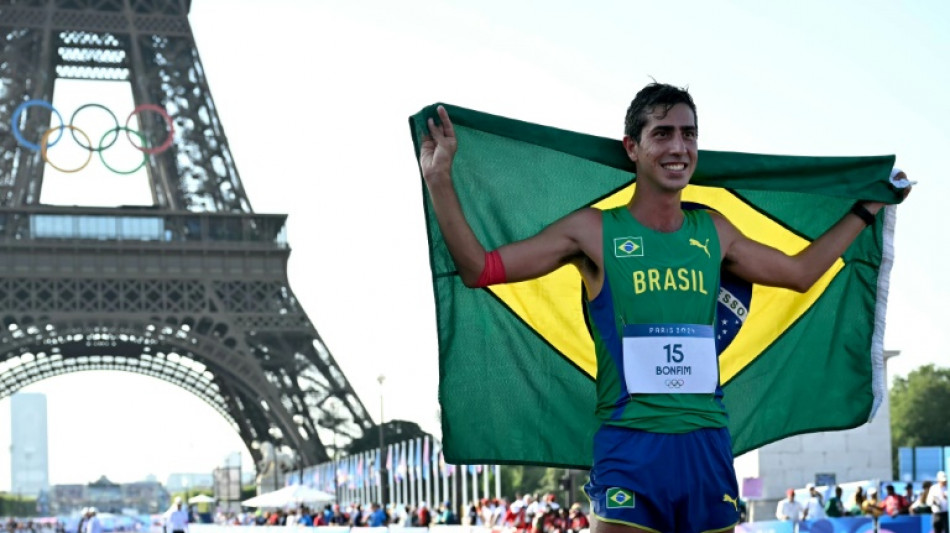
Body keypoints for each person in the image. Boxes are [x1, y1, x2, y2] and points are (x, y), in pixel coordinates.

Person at [419, 83, 909, 533]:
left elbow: (800, 274)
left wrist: (866, 210)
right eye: (663, 134)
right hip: (631, 448)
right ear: (632, 147)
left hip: (707, 446)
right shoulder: (592, 231)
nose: (679, 147)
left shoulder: (714, 231)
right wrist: (440, 180)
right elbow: (479, 268)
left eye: (689, 134)